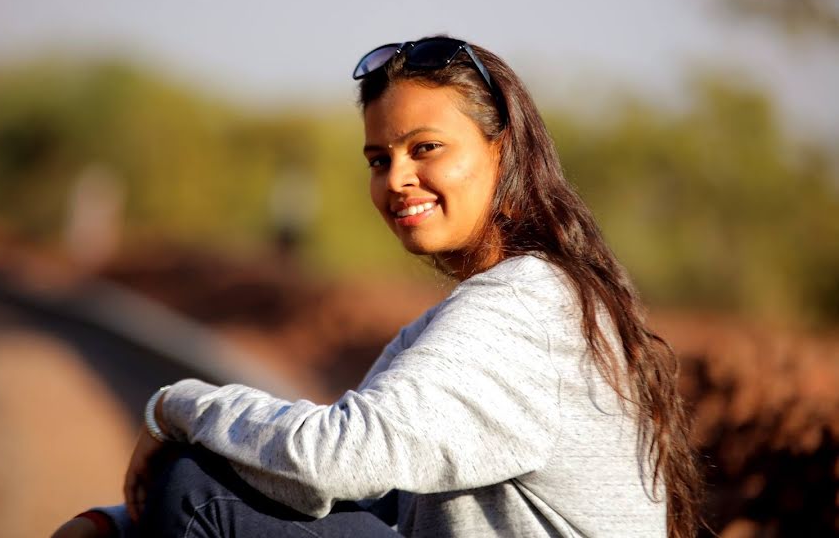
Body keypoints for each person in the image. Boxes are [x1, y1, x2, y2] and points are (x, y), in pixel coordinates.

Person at [52, 36, 701, 538]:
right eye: (379, 159)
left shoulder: (522, 308)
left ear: (502, 150)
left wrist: (178, 408)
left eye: (425, 148)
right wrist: (123, 524)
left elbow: (332, 457)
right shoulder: (532, 298)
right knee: (202, 487)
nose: (396, 179)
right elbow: (373, 489)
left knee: (193, 490)